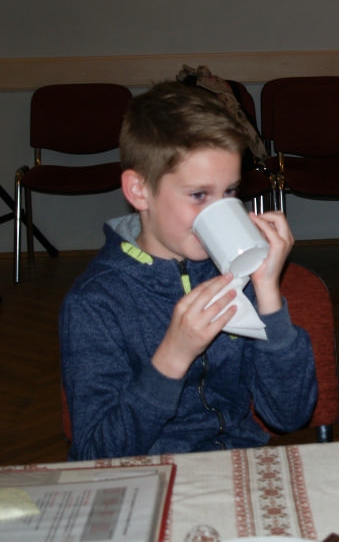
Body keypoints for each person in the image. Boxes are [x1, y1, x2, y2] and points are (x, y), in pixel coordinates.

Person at [60, 81, 318, 460]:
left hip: (236, 462)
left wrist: (267, 294)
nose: (219, 211)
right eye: (199, 195)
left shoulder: (231, 271)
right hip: (150, 474)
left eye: (229, 192)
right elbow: (95, 453)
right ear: (138, 191)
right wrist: (172, 357)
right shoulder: (96, 302)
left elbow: (289, 415)